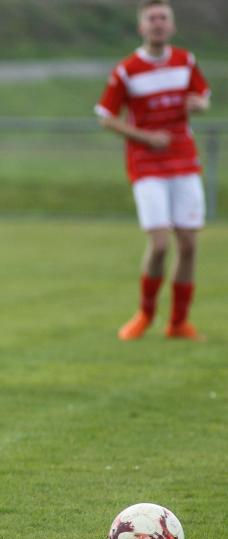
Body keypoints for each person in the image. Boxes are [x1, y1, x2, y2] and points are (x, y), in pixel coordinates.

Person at [96, 0, 210, 341]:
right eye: (152, 19)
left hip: (184, 160)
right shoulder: (127, 70)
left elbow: (202, 96)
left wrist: (199, 104)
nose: (158, 24)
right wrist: (146, 137)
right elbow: (106, 117)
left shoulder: (185, 61)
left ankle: (178, 322)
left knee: (188, 244)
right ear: (141, 28)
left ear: (172, 26)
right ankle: (145, 313)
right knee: (160, 244)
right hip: (146, 165)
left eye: (164, 18)